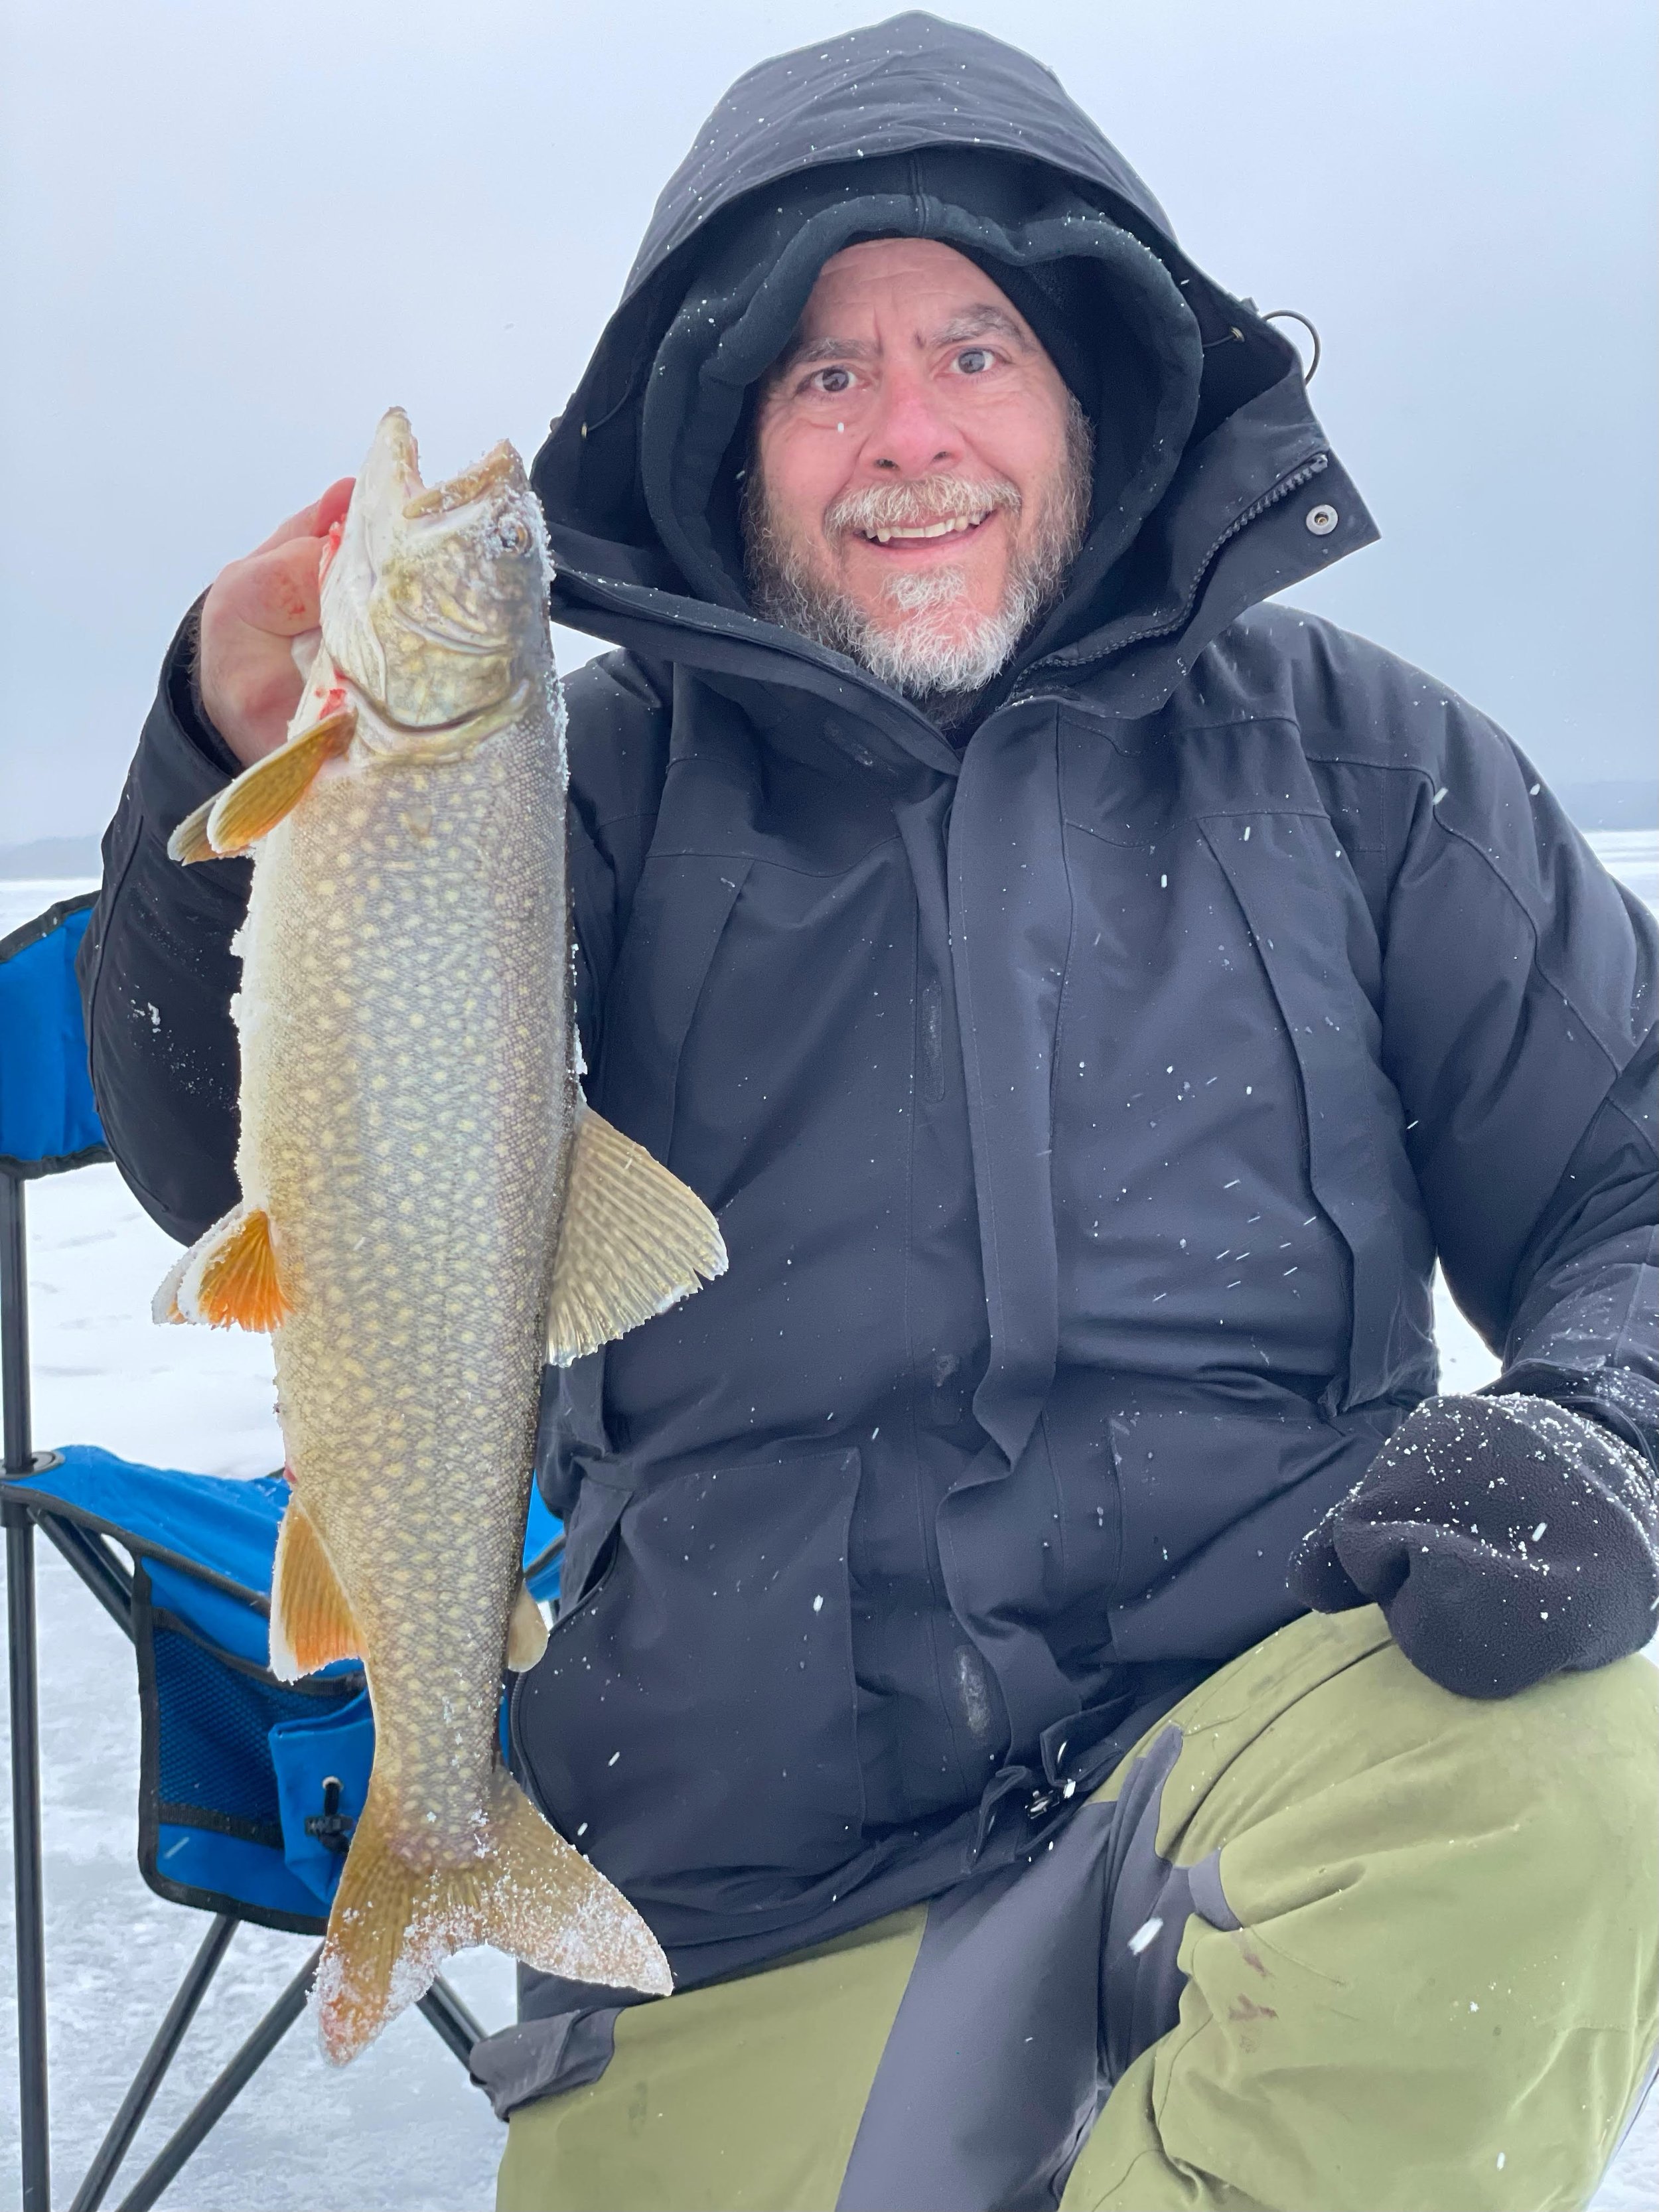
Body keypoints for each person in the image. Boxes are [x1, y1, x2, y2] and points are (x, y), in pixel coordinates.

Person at [80, 15, 1658, 2209]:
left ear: (1090, 389)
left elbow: (1630, 1168)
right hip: (736, 1858)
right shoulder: (571, 793)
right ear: (732, 438)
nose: (906, 433)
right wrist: (209, 755)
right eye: (826, 375)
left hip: (1266, 1748)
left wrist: (1604, 1414)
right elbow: (214, 1166)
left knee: (1574, 1764)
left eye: (974, 349)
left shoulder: (1364, 766)